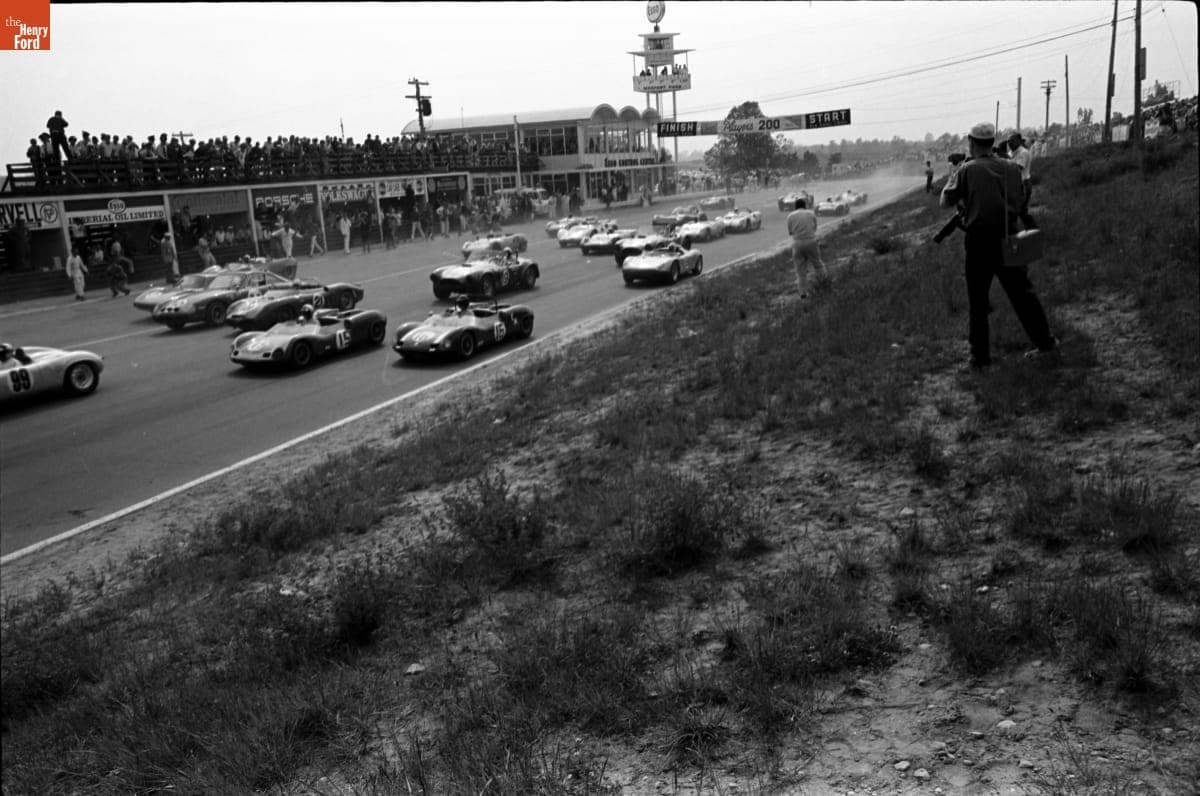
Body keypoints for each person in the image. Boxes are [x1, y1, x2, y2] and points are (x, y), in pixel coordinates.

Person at [940, 122, 1057, 370]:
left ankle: (980, 358)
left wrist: (956, 175)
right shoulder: (1011, 168)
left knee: (978, 301)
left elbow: (944, 202)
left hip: (978, 242)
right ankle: (1045, 344)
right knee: (1023, 295)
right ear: (993, 143)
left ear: (972, 143)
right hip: (1008, 237)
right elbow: (1019, 200)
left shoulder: (966, 170)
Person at [785, 197, 830, 299]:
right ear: (804, 206)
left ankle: (803, 293)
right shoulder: (811, 213)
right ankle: (825, 284)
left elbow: (790, 232)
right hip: (811, 241)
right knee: (818, 264)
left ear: (795, 207)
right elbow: (814, 228)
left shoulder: (790, 216)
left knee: (800, 271)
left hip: (797, 243)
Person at [1006, 133, 1037, 230]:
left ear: (1019, 141)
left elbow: (1017, 168)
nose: (1010, 144)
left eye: (1012, 141)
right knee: (1018, 211)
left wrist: (1005, 159)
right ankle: (1031, 231)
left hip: (1023, 184)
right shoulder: (1011, 153)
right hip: (1015, 185)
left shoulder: (1023, 153)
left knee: (1018, 211)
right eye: (1009, 142)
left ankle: (1032, 230)